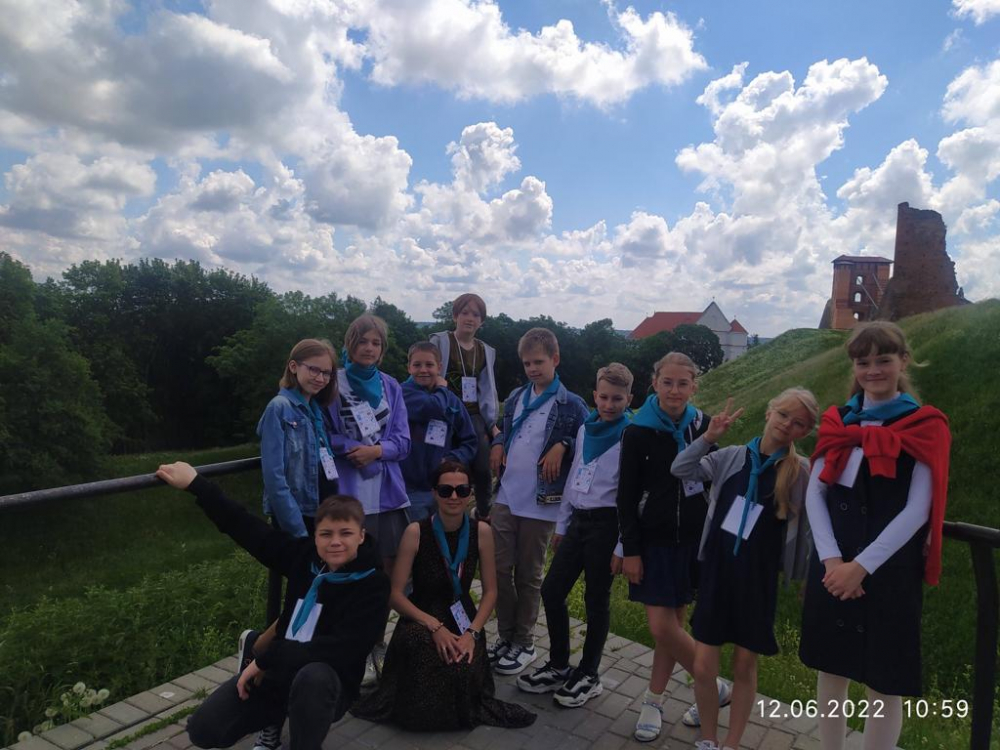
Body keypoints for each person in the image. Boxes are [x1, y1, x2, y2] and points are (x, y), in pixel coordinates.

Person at [154, 462, 390, 750]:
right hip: (280, 673)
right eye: (326, 534)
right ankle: (272, 718)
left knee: (313, 677)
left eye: (346, 533)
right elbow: (249, 530)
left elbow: (342, 649)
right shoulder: (304, 558)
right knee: (204, 729)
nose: (336, 542)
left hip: (328, 683)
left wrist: (267, 658)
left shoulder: (373, 584)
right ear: (315, 536)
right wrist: (196, 484)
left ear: (361, 535)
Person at [800, 321, 951, 750]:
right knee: (831, 670)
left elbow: (917, 509)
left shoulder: (924, 425)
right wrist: (832, 561)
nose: (873, 370)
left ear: (903, 361)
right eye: (863, 362)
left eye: (883, 360)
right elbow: (816, 492)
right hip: (832, 566)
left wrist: (860, 567)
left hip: (888, 570)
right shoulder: (840, 421)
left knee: (884, 683)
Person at [671, 389, 818, 750]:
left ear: (804, 431)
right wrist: (708, 438)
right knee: (703, 666)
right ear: (769, 412)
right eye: (783, 415)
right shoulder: (732, 456)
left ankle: (732, 743)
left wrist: (806, 576)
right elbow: (681, 469)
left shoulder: (800, 471)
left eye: (798, 423)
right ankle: (709, 738)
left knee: (744, 665)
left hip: (757, 579)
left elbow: (813, 528)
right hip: (717, 572)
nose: (787, 425)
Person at [351, 461, 537, 730]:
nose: (454, 496)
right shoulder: (416, 532)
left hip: (463, 619)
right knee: (423, 656)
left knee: (460, 665)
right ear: (434, 493)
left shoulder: (482, 532)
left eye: (462, 490)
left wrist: (472, 634)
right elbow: (395, 595)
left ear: (470, 493)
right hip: (420, 615)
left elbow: (491, 592)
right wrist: (433, 626)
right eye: (446, 490)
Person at [615, 352, 730, 742]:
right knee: (661, 626)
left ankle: (654, 700)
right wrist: (630, 549)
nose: (675, 391)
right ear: (655, 384)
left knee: (672, 629)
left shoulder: (705, 425)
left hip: (694, 540)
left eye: (683, 383)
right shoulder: (637, 431)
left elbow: (714, 480)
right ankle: (712, 684)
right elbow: (625, 496)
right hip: (654, 541)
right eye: (667, 382)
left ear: (694, 386)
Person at [516, 363, 633, 707]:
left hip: (607, 525)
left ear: (629, 399)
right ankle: (558, 664)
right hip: (578, 522)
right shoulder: (585, 429)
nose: (609, 405)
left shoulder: (630, 436)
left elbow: (630, 496)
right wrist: (563, 526)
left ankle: (589, 673)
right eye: (604, 397)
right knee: (552, 590)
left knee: (596, 600)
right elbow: (573, 479)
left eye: (617, 399)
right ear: (595, 395)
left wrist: (623, 545)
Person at [243, 338, 339, 750]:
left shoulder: (314, 410)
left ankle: (259, 652)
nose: (320, 377)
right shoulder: (280, 409)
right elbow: (276, 478)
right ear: (294, 366)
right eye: (313, 369)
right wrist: (300, 537)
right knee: (296, 619)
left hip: (320, 519)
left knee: (307, 615)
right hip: (298, 523)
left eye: (326, 372)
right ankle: (267, 715)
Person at [488, 327, 589, 676]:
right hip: (507, 494)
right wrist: (496, 444)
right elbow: (503, 428)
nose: (532, 368)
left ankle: (525, 641)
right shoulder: (517, 396)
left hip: (541, 502)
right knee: (499, 569)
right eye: (527, 363)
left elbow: (588, 444)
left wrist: (564, 444)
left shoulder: (572, 404)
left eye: (539, 362)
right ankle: (505, 635)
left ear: (555, 360)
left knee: (528, 575)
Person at [327, 314, 411, 684]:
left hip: (387, 497)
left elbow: (403, 442)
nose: (369, 348)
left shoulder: (391, 385)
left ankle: (377, 642)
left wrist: (376, 451)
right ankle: (348, 646)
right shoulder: (334, 383)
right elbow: (323, 433)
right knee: (347, 574)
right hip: (349, 497)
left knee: (386, 576)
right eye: (363, 341)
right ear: (350, 343)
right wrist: (351, 447)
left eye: (376, 343)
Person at [429, 294, 500, 520]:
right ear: (455, 316)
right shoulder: (440, 342)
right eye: (465, 313)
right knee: (439, 463)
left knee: (482, 465)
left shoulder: (485, 350)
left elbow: (487, 388)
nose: (470, 318)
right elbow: (426, 369)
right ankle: (433, 513)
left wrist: (492, 423)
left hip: (472, 413)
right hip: (443, 412)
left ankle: (483, 512)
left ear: (482, 321)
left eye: (476, 314)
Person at [401, 342, 479, 522]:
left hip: (445, 488)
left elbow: (469, 440)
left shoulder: (452, 401)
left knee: (444, 534)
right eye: (417, 365)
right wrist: (442, 388)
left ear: (439, 367)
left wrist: (452, 459)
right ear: (409, 368)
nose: (423, 370)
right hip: (410, 488)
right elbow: (432, 408)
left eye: (429, 364)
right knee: (416, 535)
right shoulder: (402, 393)